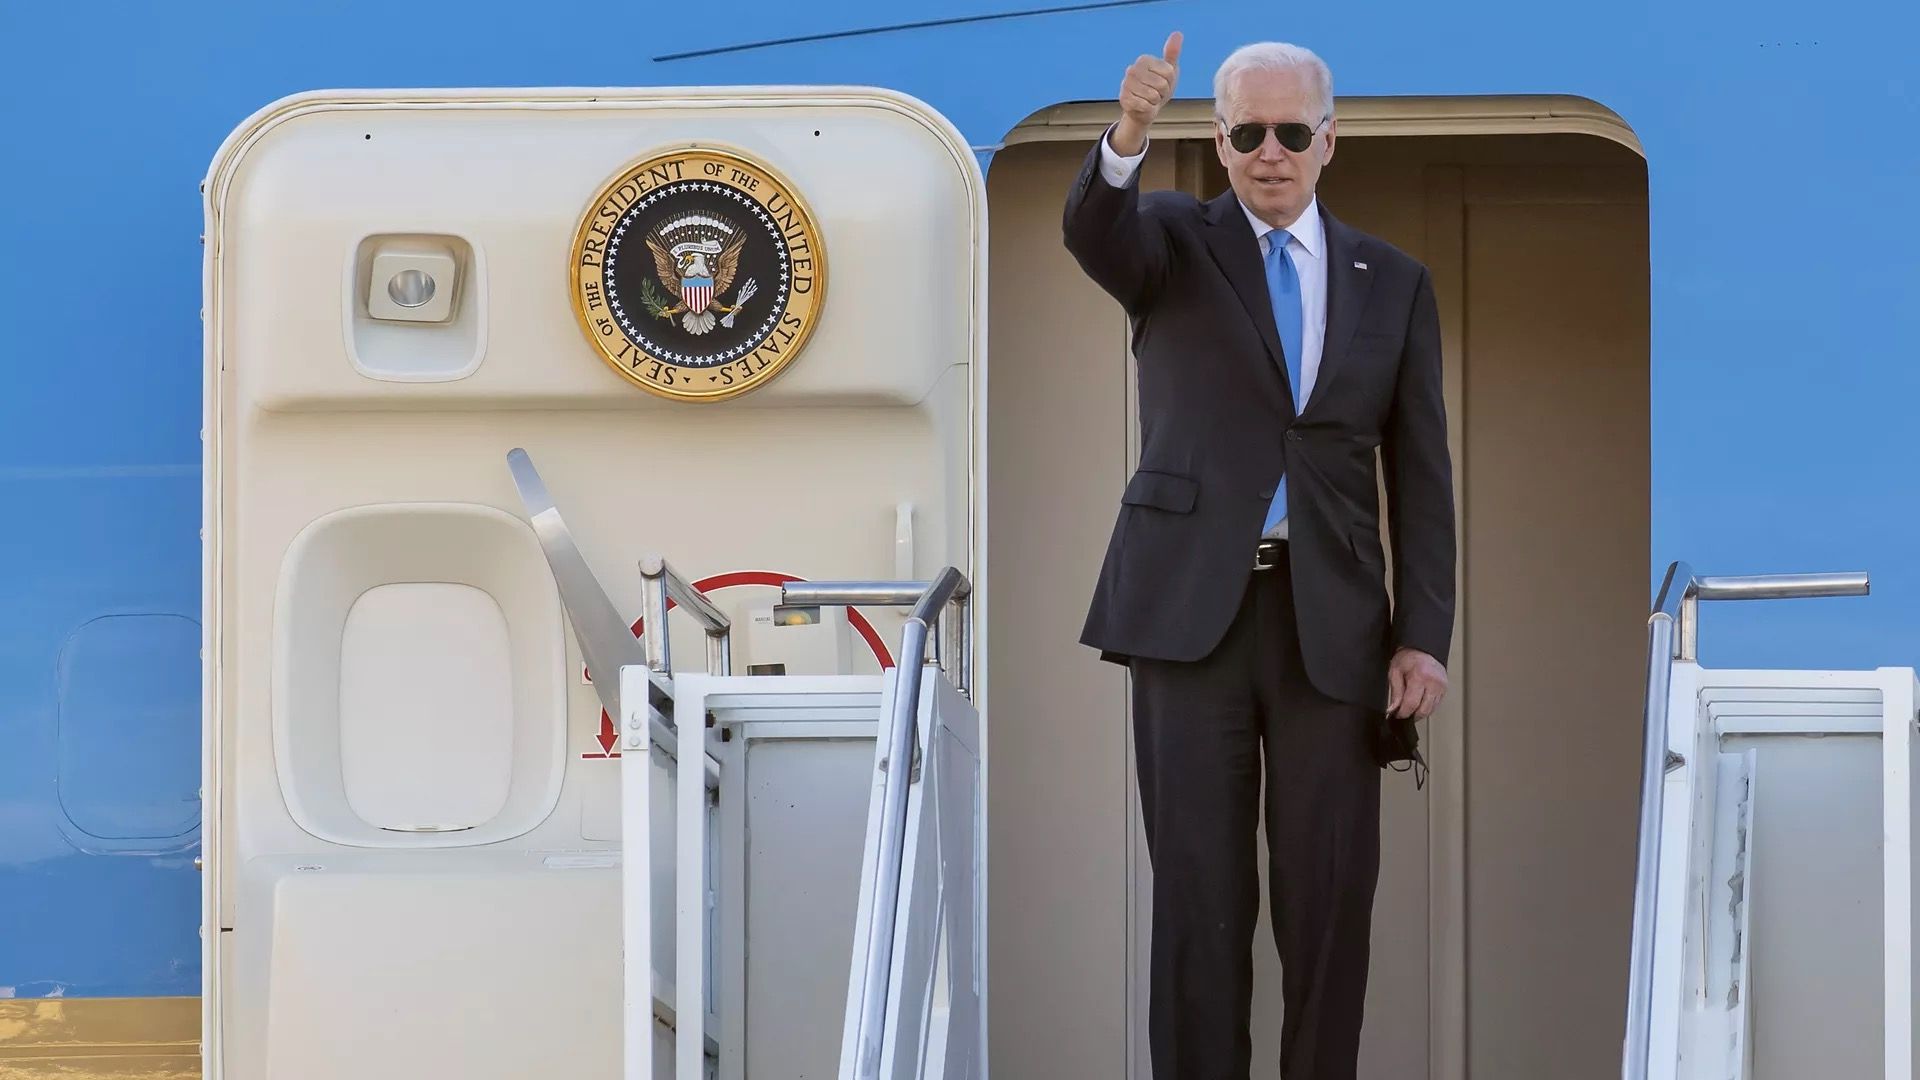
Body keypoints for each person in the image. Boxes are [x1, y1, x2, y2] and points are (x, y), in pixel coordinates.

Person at [1062, 33, 1457, 1079]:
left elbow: (1422, 473)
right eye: (1247, 133)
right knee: (1199, 899)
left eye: (1291, 133)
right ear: (1221, 141)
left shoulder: (1396, 281)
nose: (1269, 153)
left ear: (1329, 141)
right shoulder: (1168, 239)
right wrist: (1128, 133)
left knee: (1330, 903)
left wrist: (1423, 637)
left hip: (1331, 626)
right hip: (1190, 618)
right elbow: (1092, 230)